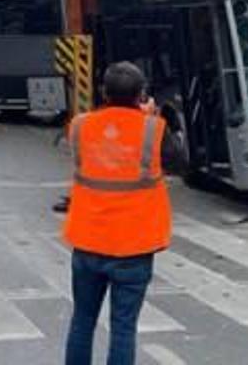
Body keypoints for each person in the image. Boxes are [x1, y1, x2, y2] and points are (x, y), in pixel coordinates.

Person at [63, 61, 186, 365]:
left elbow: (101, 140)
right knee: (123, 327)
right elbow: (179, 162)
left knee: (82, 320)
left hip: (88, 239)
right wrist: (151, 116)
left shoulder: (79, 126)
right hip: (134, 245)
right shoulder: (154, 130)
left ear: (103, 91)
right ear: (141, 95)